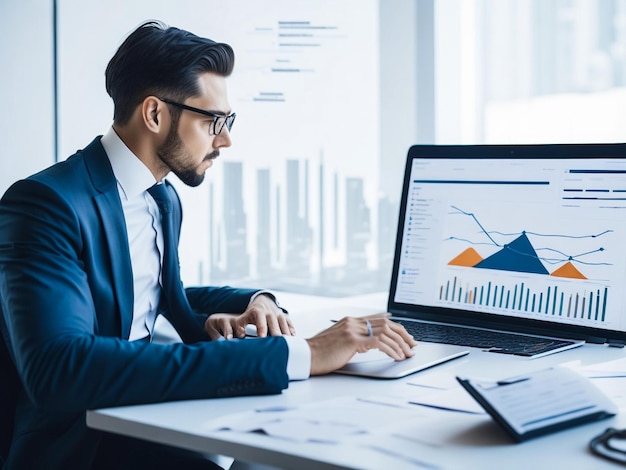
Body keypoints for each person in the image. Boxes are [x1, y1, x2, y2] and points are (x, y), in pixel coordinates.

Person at [0, 20, 416, 469]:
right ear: (155, 114)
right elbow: (59, 368)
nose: (226, 138)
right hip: (81, 446)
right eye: (213, 121)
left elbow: (155, 297)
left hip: (148, 415)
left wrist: (253, 301)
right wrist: (302, 354)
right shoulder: (45, 205)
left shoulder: (161, 197)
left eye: (228, 120)